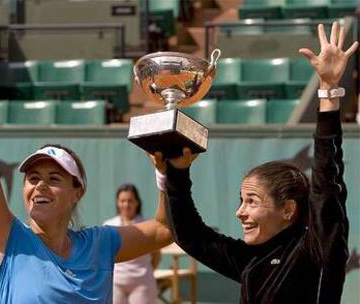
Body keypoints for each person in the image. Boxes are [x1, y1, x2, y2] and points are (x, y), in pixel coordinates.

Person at [0, 12, 172, 303]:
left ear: (76, 192)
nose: (40, 185)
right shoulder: (6, 238)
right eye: (33, 178)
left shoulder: (100, 244)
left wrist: (165, 173)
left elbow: (165, 230)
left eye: (54, 178)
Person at [150, 21, 358, 303]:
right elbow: (190, 236)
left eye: (252, 201)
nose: (240, 212)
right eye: (242, 200)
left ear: (287, 209)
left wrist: (328, 93)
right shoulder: (250, 260)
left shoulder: (317, 248)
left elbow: (325, 185)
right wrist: (176, 174)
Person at [104, 184, 160, 304]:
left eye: (130, 201)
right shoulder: (109, 226)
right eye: (122, 201)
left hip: (142, 282)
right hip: (115, 283)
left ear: (137, 203)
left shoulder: (147, 225)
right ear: (117, 203)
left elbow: (156, 256)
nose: (126, 205)